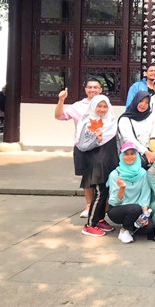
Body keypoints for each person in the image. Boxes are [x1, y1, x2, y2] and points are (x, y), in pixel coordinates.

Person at [55, 77, 107, 217]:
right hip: (83, 146)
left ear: (100, 90)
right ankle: (89, 205)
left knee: (102, 176)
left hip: (101, 146)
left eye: (95, 87)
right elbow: (59, 116)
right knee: (87, 176)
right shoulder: (78, 106)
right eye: (90, 87)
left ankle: (101, 206)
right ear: (85, 89)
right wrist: (61, 100)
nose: (92, 90)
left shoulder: (104, 104)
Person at [76, 94, 119, 237]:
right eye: (99, 106)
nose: (102, 109)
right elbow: (82, 145)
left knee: (105, 193)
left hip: (109, 162)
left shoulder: (111, 121)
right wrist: (96, 138)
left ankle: (99, 220)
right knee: (99, 193)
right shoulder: (87, 122)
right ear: (93, 106)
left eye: (105, 106)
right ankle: (90, 225)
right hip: (96, 163)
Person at [107, 142, 154, 243]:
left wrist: (144, 215)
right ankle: (124, 230)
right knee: (134, 208)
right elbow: (114, 202)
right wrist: (122, 188)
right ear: (121, 156)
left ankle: (131, 227)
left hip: (137, 210)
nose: (129, 157)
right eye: (126, 154)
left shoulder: (142, 173)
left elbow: (145, 196)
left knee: (149, 227)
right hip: (117, 210)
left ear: (137, 155)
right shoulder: (115, 174)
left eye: (132, 154)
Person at [117, 91, 155, 167]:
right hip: (131, 156)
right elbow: (129, 139)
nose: (143, 105)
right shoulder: (125, 119)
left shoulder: (151, 117)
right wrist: (146, 152)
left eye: (146, 102)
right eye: (141, 101)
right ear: (136, 101)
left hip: (150, 157)